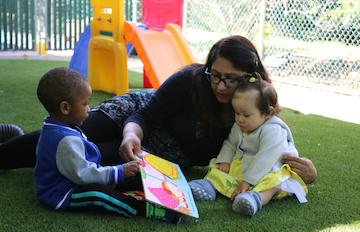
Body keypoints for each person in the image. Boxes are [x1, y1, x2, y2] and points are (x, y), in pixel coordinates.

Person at [0, 35, 317, 185]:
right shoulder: (191, 79)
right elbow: (146, 116)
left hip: (163, 152)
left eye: (230, 80)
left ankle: (13, 140)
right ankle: (9, 148)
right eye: (215, 75)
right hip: (134, 115)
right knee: (68, 133)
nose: (220, 86)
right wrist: (129, 134)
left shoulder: (255, 109)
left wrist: (306, 171)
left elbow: (274, 146)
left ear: (250, 77)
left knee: (89, 156)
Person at [33, 67, 181, 223]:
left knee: (125, 173)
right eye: (85, 104)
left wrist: (110, 175)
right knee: (99, 194)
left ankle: (163, 191)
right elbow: (82, 175)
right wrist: (114, 174)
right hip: (64, 191)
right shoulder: (64, 139)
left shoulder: (60, 127)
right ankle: (142, 209)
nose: (88, 109)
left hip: (77, 179)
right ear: (65, 108)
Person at [188, 74, 308, 216]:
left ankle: (254, 199)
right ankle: (209, 186)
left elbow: (266, 157)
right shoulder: (240, 125)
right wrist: (225, 160)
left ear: (267, 113)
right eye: (237, 113)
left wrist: (247, 181)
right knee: (220, 169)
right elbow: (230, 143)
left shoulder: (274, 130)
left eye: (246, 115)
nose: (239, 119)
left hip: (271, 168)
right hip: (247, 165)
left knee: (273, 186)